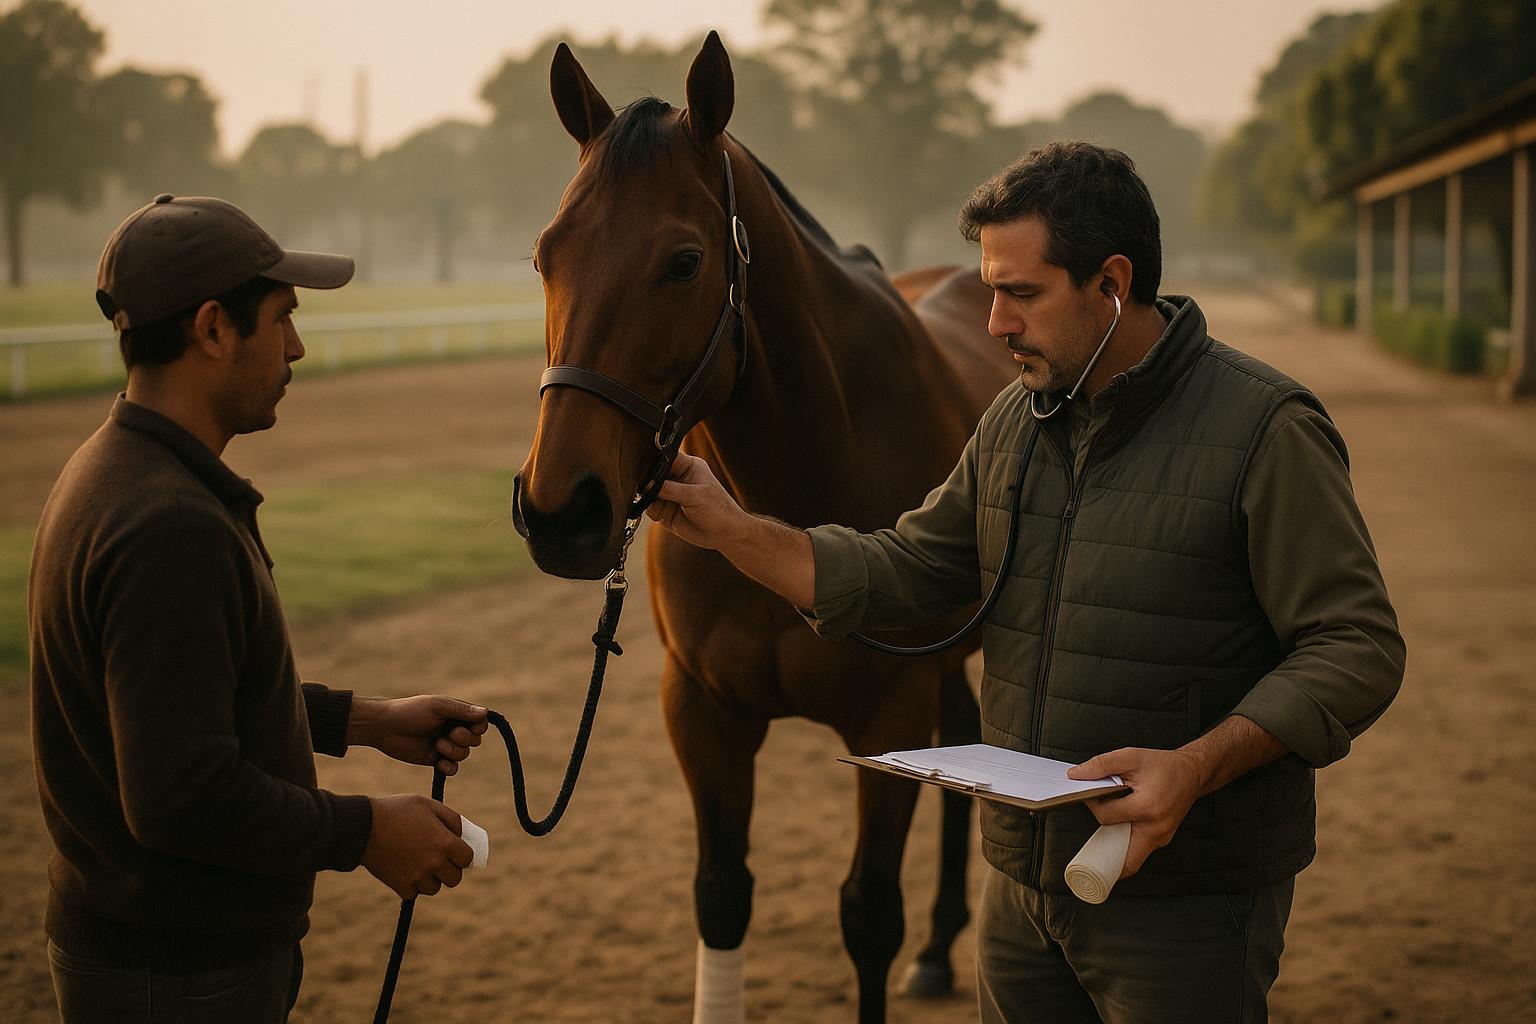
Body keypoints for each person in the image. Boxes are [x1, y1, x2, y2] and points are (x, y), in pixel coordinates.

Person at [644, 142, 1406, 1023]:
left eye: (1022, 294)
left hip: (1183, 899)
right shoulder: (1016, 417)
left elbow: (1359, 646)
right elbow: (915, 568)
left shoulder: (1266, 429)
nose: (995, 320)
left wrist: (1196, 768)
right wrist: (735, 530)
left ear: (1112, 283)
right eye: (990, 288)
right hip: (1019, 892)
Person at [29, 194, 491, 1023]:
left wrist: (364, 721)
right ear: (212, 329)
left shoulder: (112, 468)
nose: (297, 346)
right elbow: (181, 792)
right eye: (280, 318)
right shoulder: (168, 525)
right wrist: (366, 833)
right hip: (181, 976)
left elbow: (179, 704)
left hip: (146, 953)